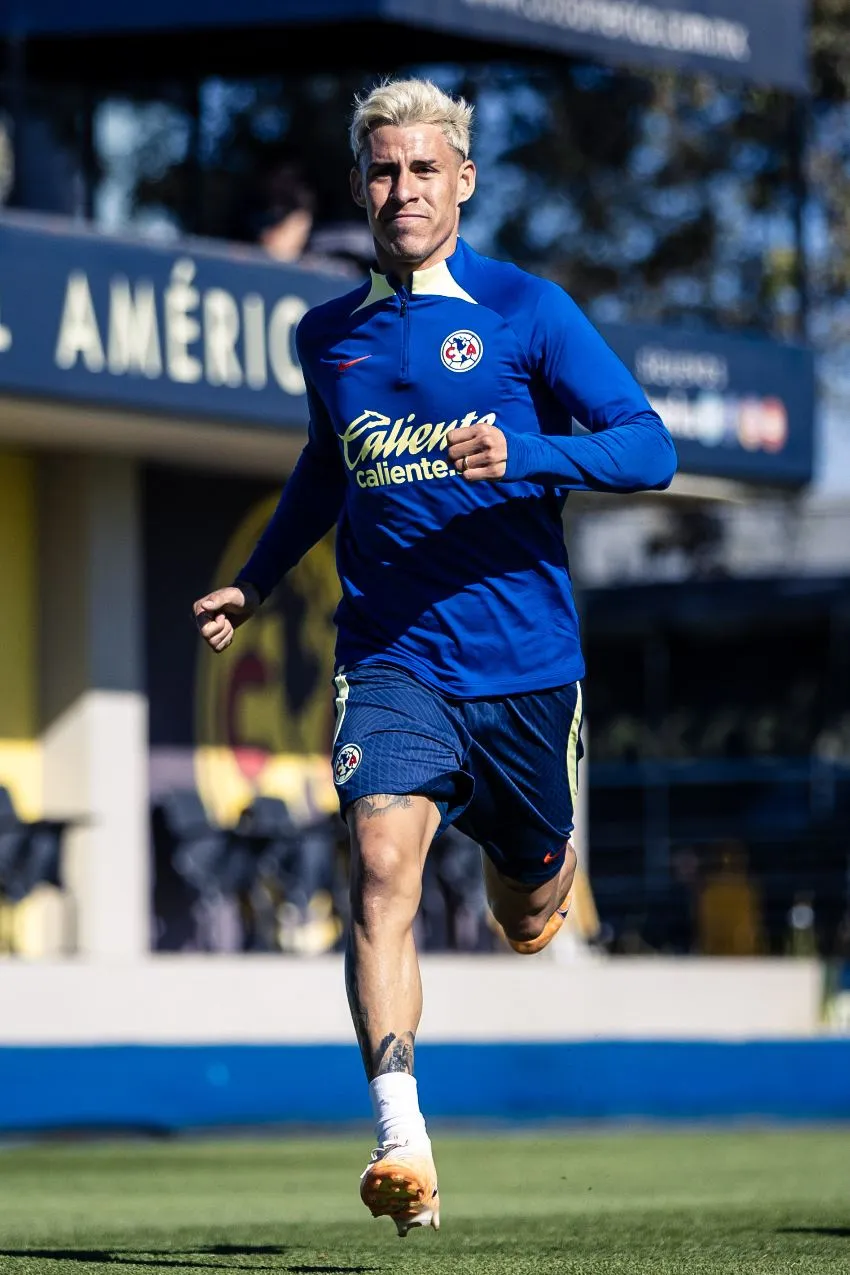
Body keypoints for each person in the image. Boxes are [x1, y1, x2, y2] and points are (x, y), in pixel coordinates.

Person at [193, 76, 677, 1236]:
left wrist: (522, 451)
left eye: (422, 169)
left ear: (462, 178)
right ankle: (401, 1138)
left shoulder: (528, 310)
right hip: (393, 657)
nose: (399, 190)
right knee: (378, 863)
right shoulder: (329, 334)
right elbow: (326, 469)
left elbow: (648, 447)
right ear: (360, 182)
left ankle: (537, 867)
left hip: (523, 669)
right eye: (380, 170)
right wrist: (257, 582)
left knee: (526, 914)